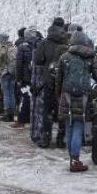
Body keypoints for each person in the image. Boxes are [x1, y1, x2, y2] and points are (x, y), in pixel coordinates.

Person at [57, 31, 97, 172]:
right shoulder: (90, 57)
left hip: (66, 95)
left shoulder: (64, 57)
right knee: (79, 127)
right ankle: (75, 160)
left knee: (69, 126)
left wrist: (58, 96)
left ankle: (72, 159)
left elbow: (59, 80)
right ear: (85, 42)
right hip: (83, 97)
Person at [33, 17, 69, 148]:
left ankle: (46, 138)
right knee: (62, 109)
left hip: (49, 80)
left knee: (47, 109)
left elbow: (38, 60)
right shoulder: (67, 42)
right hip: (63, 81)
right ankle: (61, 139)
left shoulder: (45, 42)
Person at [10, 27, 39, 129]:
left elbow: (19, 64)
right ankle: (33, 120)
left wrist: (18, 79)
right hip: (37, 78)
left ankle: (21, 121)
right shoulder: (39, 45)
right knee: (35, 99)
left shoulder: (22, 47)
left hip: (26, 79)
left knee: (24, 98)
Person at [0, 33, 17, 122]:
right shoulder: (14, 47)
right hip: (13, 73)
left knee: (6, 93)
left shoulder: (3, 47)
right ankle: (12, 113)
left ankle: (7, 114)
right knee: (11, 93)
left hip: (5, 72)